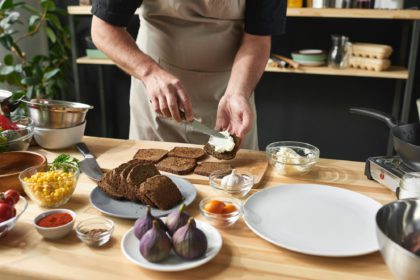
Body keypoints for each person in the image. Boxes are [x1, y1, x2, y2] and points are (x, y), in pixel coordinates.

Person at [91, 0, 286, 149]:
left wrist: (237, 93)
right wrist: (149, 72)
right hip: (155, 91)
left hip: (232, 88)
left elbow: (258, 38)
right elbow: (104, 29)